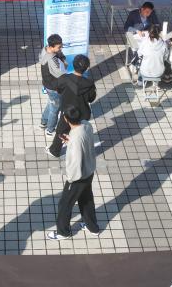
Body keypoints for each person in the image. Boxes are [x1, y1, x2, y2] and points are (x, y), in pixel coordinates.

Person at [48, 106, 100, 241]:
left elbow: (75, 162)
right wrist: (70, 141)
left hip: (78, 177)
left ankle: (63, 232)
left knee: (65, 204)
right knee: (86, 200)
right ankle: (92, 227)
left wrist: (71, 180)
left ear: (66, 119)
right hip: (89, 170)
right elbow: (83, 141)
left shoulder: (75, 139)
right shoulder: (87, 125)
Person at [47, 54, 97, 158]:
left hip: (68, 113)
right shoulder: (89, 83)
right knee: (81, 134)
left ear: (73, 65)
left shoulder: (64, 79)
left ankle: (54, 151)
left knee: (61, 131)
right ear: (86, 68)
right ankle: (81, 152)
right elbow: (91, 99)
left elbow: (58, 90)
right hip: (83, 113)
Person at [38, 34, 67, 136]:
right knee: (55, 109)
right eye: (59, 47)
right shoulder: (52, 60)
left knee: (51, 103)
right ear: (51, 47)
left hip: (47, 84)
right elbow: (61, 73)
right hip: (54, 87)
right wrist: (64, 64)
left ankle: (43, 122)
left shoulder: (45, 50)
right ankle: (50, 130)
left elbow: (59, 54)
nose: (61, 48)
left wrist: (60, 56)